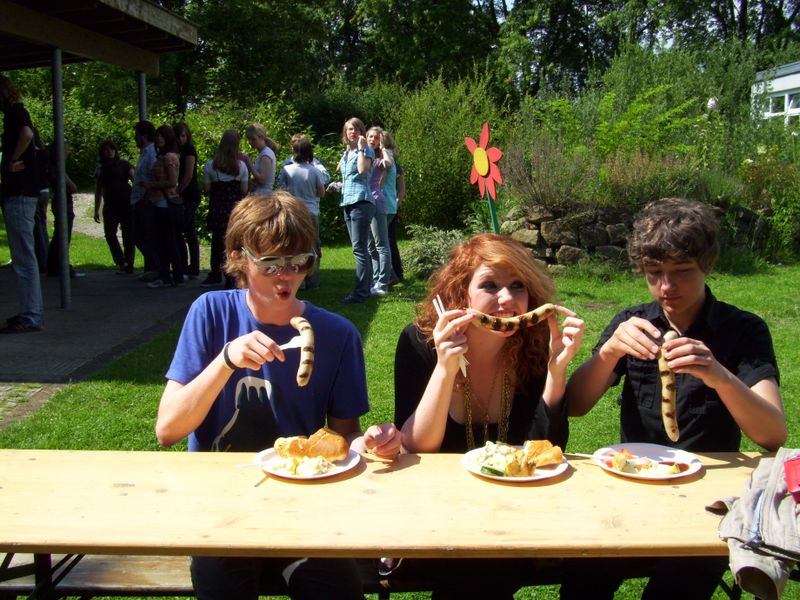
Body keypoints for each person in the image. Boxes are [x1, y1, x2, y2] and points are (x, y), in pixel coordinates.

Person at [155, 190, 401, 600]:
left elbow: (344, 437)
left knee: (338, 591)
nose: (285, 277)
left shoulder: (337, 335)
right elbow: (168, 429)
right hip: (221, 509)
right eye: (270, 264)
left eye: (298, 262)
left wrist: (372, 442)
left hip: (302, 505)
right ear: (239, 257)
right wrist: (226, 362)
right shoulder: (211, 312)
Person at [559, 198, 786, 600]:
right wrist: (609, 353)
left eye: (681, 272)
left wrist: (720, 376)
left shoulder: (742, 330)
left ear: (708, 266)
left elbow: (772, 434)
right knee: (582, 578)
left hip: (707, 495)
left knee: (676, 588)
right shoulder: (634, 323)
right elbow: (574, 405)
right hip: (629, 484)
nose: (667, 287)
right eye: (654, 273)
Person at [393, 233, 585, 598]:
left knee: (493, 565)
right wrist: (445, 370)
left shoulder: (533, 347)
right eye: (489, 285)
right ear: (460, 293)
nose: (508, 300)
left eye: (518, 286)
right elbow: (417, 447)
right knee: (479, 570)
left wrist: (556, 373)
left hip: (513, 512)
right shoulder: (421, 344)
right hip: (437, 510)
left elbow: (545, 450)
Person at [0, 75, 43, 334]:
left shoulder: (16, 113)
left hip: (20, 196)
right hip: (23, 194)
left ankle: (32, 315)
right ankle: (31, 312)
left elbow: (27, 135)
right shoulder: (17, 113)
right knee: (25, 257)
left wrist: (13, 159)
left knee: (24, 258)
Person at [201, 129, 248, 289]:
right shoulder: (241, 166)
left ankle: (215, 273)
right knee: (234, 243)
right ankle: (232, 276)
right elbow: (244, 190)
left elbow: (206, 189)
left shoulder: (210, 165)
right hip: (234, 210)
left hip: (218, 208)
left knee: (217, 243)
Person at [276, 137, 325, 289]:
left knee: (294, 247)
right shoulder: (315, 171)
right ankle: (313, 279)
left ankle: (298, 280)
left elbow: (280, 190)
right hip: (311, 211)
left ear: (294, 151)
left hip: (293, 211)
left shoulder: (286, 170)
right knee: (313, 246)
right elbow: (321, 193)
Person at [336, 117, 375, 304]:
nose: (353, 132)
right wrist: (338, 185)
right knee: (358, 249)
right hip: (347, 202)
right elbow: (347, 177)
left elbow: (361, 170)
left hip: (361, 202)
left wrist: (360, 148)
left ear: (362, 132)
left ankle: (361, 293)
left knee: (360, 250)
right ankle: (364, 289)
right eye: (350, 129)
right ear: (345, 132)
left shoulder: (366, 150)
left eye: (357, 129)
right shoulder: (346, 153)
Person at [143, 125, 183, 288]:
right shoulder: (164, 156)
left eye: (161, 136)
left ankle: (170, 276)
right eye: (157, 136)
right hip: (159, 202)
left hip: (165, 203)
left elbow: (172, 182)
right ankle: (168, 275)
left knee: (167, 241)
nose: (158, 138)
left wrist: (151, 185)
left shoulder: (168, 157)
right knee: (164, 241)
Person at [94, 139, 135, 274]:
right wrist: (96, 209)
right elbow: (98, 190)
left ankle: (129, 263)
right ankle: (120, 261)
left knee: (128, 234)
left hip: (126, 203)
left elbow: (134, 179)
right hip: (110, 205)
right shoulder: (101, 169)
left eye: (111, 149)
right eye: (106, 150)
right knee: (110, 234)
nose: (109, 152)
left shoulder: (123, 164)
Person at [46, 142, 82, 279]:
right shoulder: (58, 168)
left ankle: (54, 266)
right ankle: (61, 266)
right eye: (66, 149)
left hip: (60, 201)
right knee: (63, 236)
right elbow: (73, 187)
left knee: (59, 235)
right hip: (63, 202)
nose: (68, 152)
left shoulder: (53, 167)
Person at [131, 120, 159, 281]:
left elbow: (153, 176)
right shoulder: (144, 153)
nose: (135, 138)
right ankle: (151, 266)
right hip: (138, 200)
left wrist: (146, 198)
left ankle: (154, 266)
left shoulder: (151, 154)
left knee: (143, 235)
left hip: (145, 201)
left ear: (143, 136)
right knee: (139, 235)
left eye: (136, 135)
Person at [365, 126, 392, 297]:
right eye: (371, 137)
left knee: (381, 245)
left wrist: (383, 147)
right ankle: (376, 281)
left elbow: (388, 164)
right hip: (364, 202)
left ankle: (383, 284)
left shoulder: (380, 158)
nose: (373, 140)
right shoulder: (364, 156)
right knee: (370, 247)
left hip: (377, 202)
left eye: (376, 138)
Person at [174, 123, 201, 279]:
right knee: (182, 231)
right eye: (178, 136)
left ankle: (194, 267)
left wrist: (178, 191)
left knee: (189, 232)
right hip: (183, 194)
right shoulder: (177, 151)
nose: (181, 139)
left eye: (183, 136)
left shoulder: (189, 150)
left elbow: (188, 175)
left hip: (189, 194)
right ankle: (185, 265)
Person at [381, 130, 405, 286]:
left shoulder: (394, 165)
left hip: (388, 206)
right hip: (387, 205)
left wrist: (397, 201)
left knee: (387, 242)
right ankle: (395, 274)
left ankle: (394, 274)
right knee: (387, 241)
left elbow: (402, 188)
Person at [245, 123, 277, 195]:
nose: (250, 142)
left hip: (263, 197)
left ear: (261, 137)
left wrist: (249, 163)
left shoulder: (266, 154)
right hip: (260, 195)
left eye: (253, 139)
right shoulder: (263, 153)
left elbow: (262, 180)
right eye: (248, 138)